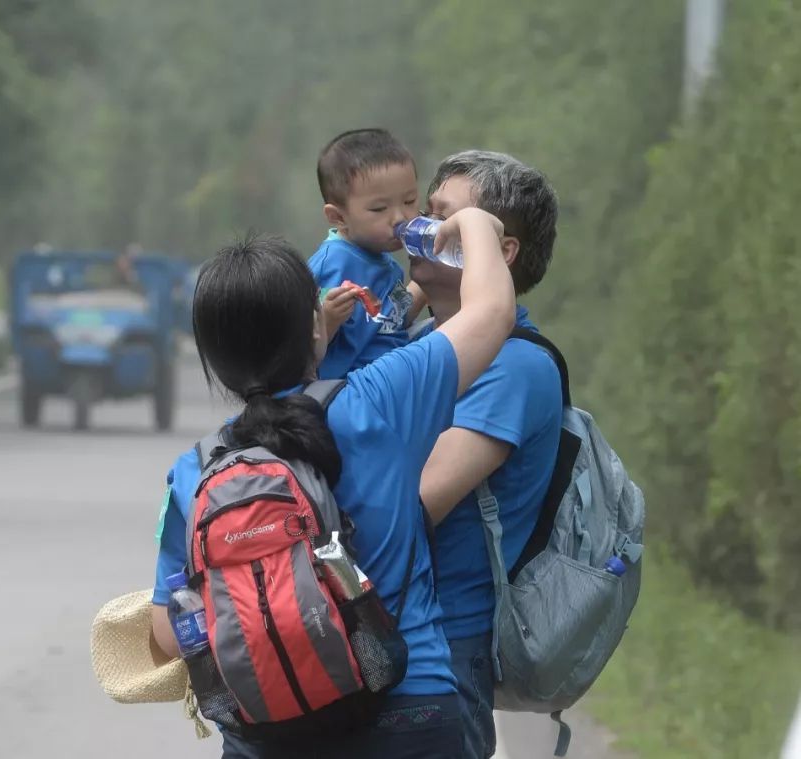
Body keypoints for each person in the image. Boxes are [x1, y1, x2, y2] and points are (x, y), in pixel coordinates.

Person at [150, 206, 515, 758]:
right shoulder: (380, 398)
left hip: (266, 735)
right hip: (409, 713)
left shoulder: (195, 472)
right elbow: (492, 310)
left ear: (213, 361)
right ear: (315, 325)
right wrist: (475, 222)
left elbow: (166, 631)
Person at [416, 151, 563, 758]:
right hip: (397, 634)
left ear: (498, 250)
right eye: (424, 215)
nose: (417, 233)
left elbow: (416, 500)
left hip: (441, 648)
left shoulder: (515, 368)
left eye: (444, 221)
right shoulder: (428, 342)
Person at [308, 129, 429, 380]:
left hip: (392, 381)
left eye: (409, 201)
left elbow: (396, 318)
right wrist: (327, 321)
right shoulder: (331, 265)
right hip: (347, 393)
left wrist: (432, 275)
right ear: (339, 217)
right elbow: (290, 351)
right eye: (379, 208)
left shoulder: (382, 259)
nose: (400, 217)